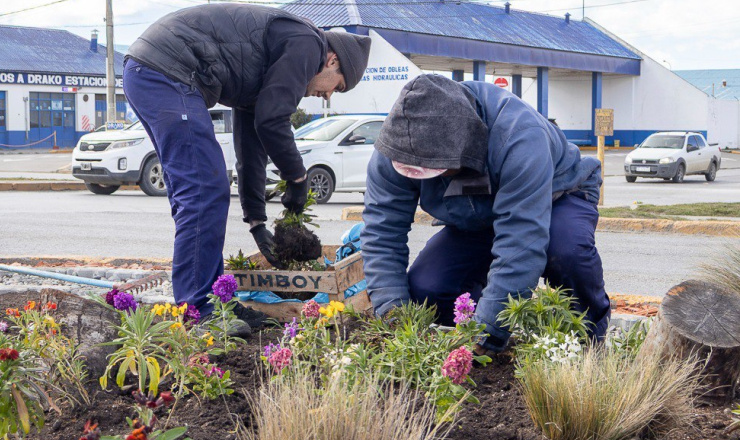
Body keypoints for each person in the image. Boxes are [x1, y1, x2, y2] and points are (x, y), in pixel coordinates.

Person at [123, 4, 371, 325]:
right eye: (336, 86)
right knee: (203, 190)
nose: (326, 97)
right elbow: (272, 120)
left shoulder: (273, 62)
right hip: (166, 73)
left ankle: (215, 302)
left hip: (156, 74)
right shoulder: (309, 44)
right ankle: (200, 311)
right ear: (333, 60)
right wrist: (297, 178)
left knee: (204, 191)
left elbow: (251, 142)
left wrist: (256, 221)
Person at [361, 74, 610, 353]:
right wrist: (393, 313)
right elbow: (382, 232)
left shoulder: (518, 136)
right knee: (429, 288)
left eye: (436, 170)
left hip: (558, 195)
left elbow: (521, 241)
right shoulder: (395, 147)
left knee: (566, 252)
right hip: (477, 214)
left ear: (465, 148)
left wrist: (487, 333)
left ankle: (589, 342)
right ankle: (464, 345)